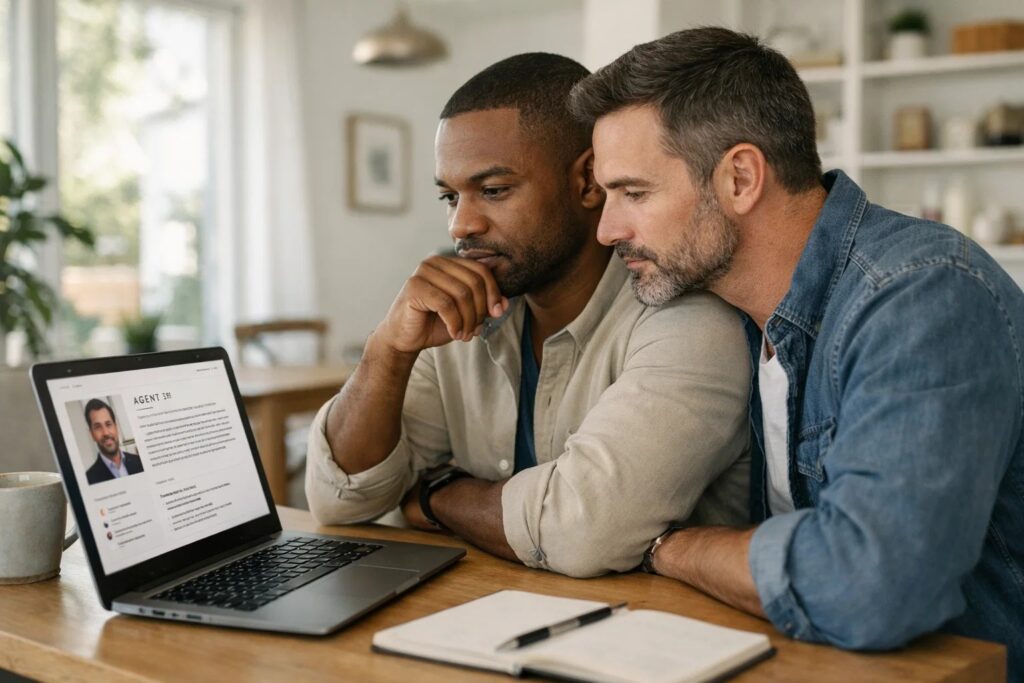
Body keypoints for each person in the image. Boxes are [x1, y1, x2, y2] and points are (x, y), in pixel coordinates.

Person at [570, 25, 1024, 676]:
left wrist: (667, 545)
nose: (609, 229)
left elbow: (869, 584)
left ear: (741, 178)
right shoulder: (739, 315)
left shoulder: (921, 297)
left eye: (633, 193)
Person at [304, 52, 752, 578]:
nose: (461, 226)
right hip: (481, 618)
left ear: (588, 181)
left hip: (652, 642)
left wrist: (436, 495)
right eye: (450, 197)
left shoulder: (689, 322)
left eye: (493, 191)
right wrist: (388, 351)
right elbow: (340, 502)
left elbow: (582, 532)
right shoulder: (459, 316)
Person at [83, 398, 144, 485]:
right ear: (92, 434)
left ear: (116, 427)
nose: (106, 433)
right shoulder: (88, 480)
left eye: (108, 424)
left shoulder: (140, 462)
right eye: (98, 427)